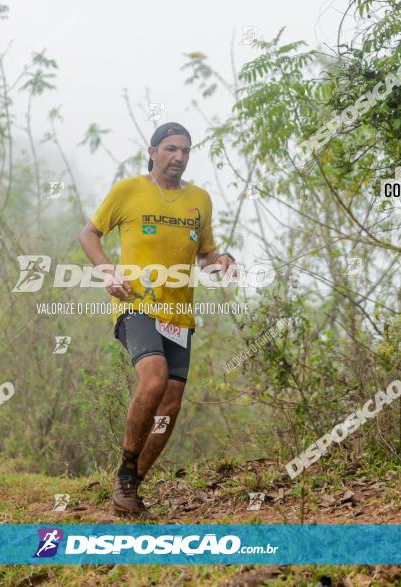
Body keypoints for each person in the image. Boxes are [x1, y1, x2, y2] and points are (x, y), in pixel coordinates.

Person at [77, 122, 236, 515]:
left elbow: (205, 255)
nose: (178, 157)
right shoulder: (129, 190)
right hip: (137, 304)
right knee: (154, 378)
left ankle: (128, 488)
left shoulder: (200, 199)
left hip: (179, 313)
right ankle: (127, 471)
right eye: (170, 149)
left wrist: (222, 262)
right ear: (152, 152)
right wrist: (106, 271)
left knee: (171, 406)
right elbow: (89, 234)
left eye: (185, 150)